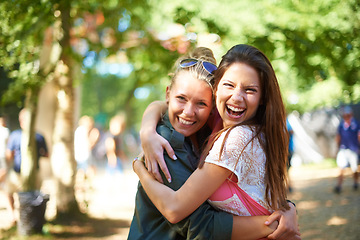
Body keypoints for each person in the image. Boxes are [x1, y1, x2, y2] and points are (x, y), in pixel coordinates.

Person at [129, 46, 300, 240]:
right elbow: (192, 221)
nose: (188, 112)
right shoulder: (164, 142)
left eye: (201, 103)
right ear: (168, 95)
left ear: (211, 104)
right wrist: (145, 137)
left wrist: (287, 209)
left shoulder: (216, 131)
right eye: (181, 99)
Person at [5, 108, 48, 225]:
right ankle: (15, 216)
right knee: (11, 192)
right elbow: (46, 154)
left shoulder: (37, 136)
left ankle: (29, 220)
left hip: (32, 172)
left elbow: (9, 155)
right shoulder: (35, 136)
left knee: (32, 197)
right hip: (18, 172)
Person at [334, 106, 360, 194]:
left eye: (347, 114)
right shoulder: (341, 125)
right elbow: (338, 137)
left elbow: (359, 136)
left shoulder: (356, 124)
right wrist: (337, 148)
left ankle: (356, 182)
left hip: (353, 149)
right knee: (341, 167)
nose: (346, 116)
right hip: (343, 148)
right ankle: (339, 185)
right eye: (345, 114)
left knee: (354, 168)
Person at [0, 116, 10, 185]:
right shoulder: (6, 130)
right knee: (4, 169)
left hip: (2, 153)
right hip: (3, 153)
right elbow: (9, 142)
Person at [287, 117, 294, 192]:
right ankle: (289, 186)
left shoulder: (285, 122)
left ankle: (289, 186)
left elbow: (291, 132)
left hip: (287, 150)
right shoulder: (286, 122)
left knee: (285, 169)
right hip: (288, 150)